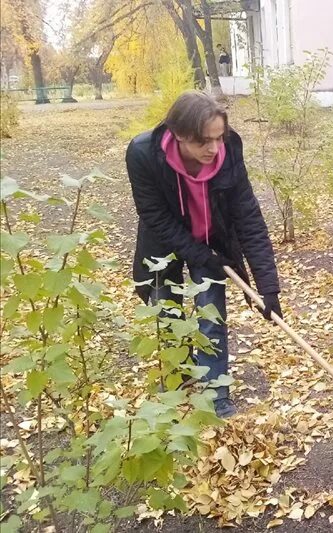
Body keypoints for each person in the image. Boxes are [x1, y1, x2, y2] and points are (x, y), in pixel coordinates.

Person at [126, 91, 282, 418]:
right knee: (165, 311)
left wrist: (268, 287)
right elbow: (155, 217)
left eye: (218, 138)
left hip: (214, 241)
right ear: (179, 134)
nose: (214, 149)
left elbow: (248, 216)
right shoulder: (142, 154)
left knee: (211, 315)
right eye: (204, 142)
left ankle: (215, 394)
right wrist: (200, 255)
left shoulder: (228, 150)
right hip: (163, 243)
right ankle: (181, 377)